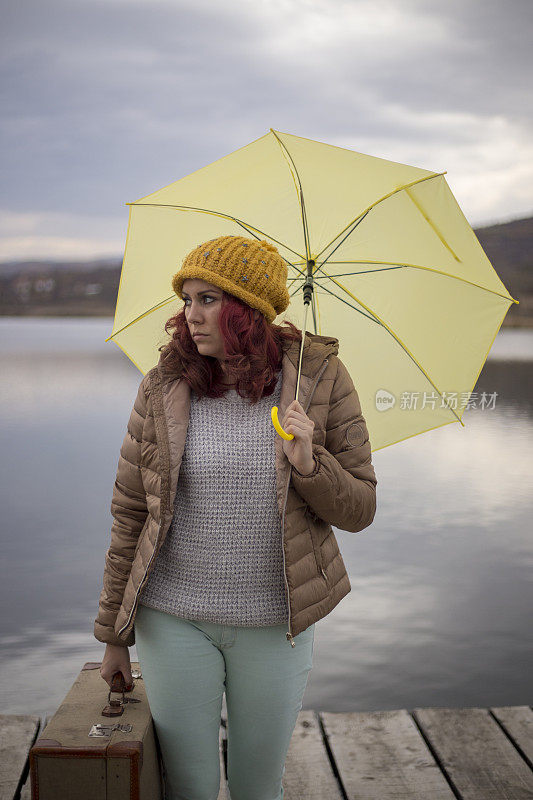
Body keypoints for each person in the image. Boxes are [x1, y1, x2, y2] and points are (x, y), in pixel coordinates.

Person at [95, 234, 378, 800]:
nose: (189, 316)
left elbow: (360, 509)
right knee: (193, 787)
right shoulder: (163, 387)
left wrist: (308, 460)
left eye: (207, 300)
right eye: (187, 299)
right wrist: (113, 636)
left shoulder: (320, 382)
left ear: (248, 311)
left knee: (256, 786)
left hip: (278, 624)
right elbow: (130, 513)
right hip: (174, 618)